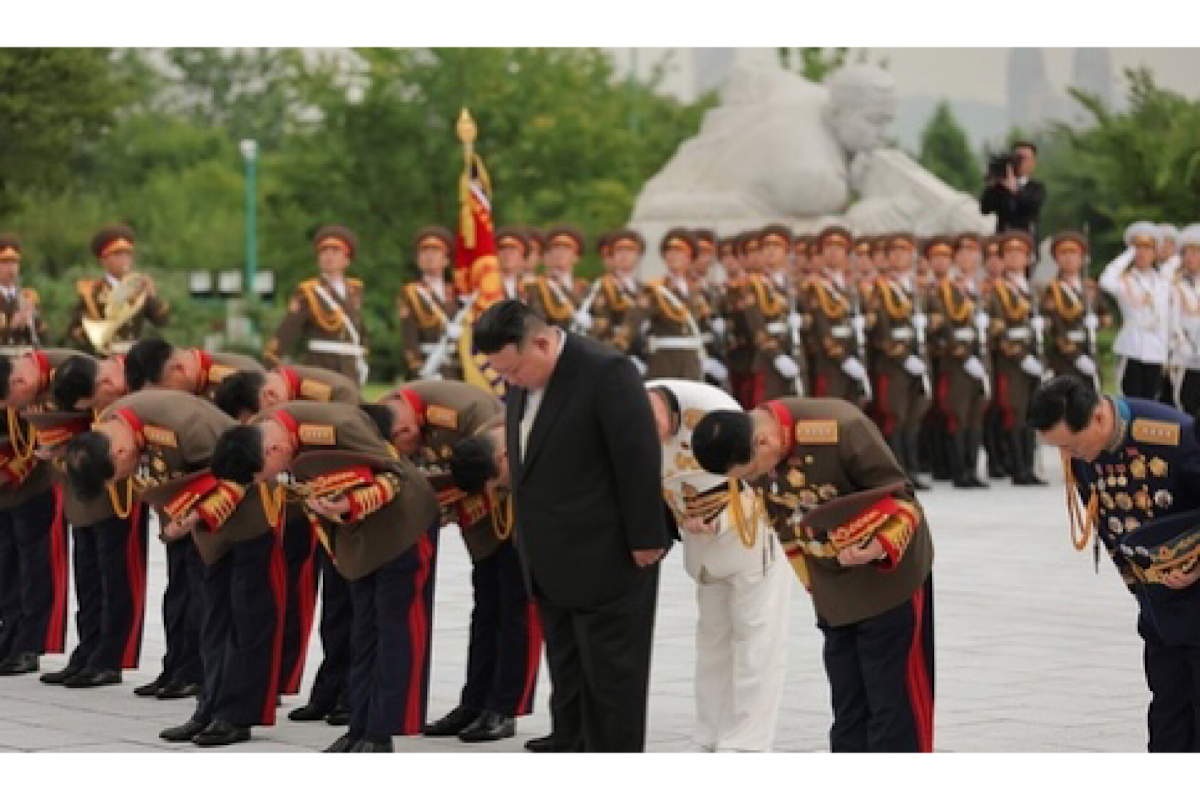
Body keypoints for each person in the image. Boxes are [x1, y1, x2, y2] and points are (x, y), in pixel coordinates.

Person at [472, 300, 670, 754]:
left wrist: (645, 539)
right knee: (567, 676)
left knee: (612, 681)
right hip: (549, 557)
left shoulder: (606, 372)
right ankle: (570, 743)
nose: (511, 380)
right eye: (502, 373)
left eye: (515, 369)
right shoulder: (525, 377)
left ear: (542, 342)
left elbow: (637, 456)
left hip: (608, 552)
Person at [692, 396, 935, 755]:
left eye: (750, 473)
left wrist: (879, 545)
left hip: (889, 575)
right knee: (848, 701)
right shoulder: (755, 449)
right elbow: (783, 524)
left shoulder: (841, 427)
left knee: (893, 702)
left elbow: (903, 498)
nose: (754, 481)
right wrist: (813, 586)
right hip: (831, 584)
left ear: (763, 442)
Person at [210, 402, 440, 755]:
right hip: (358, 533)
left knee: (393, 630)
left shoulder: (335, 424)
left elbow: (395, 475)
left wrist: (349, 504)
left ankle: (380, 733)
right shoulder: (269, 431)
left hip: (403, 527)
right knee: (363, 632)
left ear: (273, 450)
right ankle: (360, 727)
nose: (274, 477)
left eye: (268, 472)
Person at [63, 389, 285, 748]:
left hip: (249, 519)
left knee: (244, 620)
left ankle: (237, 716)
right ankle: (209, 707)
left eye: (118, 473)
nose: (125, 477)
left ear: (119, 453)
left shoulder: (188, 426)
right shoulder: (114, 423)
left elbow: (235, 478)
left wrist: (192, 516)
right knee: (211, 619)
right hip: (203, 527)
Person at [1030, 375, 1200, 753]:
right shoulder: (1084, 454)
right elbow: (1110, 523)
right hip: (1158, 605)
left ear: (1099, 420)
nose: (1069, 456)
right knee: (1168, 713)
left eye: (1071, 444)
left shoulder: (1173, 437)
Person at [647, 380, 791, 755]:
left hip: (748, 533)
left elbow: (753, 470)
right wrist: (679, 520)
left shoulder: (712, 407)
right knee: (710, 640)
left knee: (755, 641)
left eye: (655, 424)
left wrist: (720, 518)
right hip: (699, 541)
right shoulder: (629, 410)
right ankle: (708, 732)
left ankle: (748, 741)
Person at [214, 364, 361, 717]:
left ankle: (346, 692)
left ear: (267, 398)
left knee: (344, 602)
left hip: (343, 507)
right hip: (294, 506)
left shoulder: (334, 394)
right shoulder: (274, 399)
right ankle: (320, 690)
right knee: (303, 600)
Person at [32, 356, 149, 690]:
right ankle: (87, 651)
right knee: (88, 577)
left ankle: (109, 658)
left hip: (119, 495)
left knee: (116, 579)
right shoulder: (89, 384)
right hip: (87, 492)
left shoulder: (136, 385)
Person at [0, 350, 79, 677]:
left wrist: (12, 471)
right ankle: (9, 635)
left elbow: (46, 439)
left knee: (36, 565)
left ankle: (30, 644)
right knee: (5, 564)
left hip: (36, 483)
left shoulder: (58, 375)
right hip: (5, 485)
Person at [264, 225, 370, 386]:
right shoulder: (308, 292)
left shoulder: (355, 290)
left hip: (349, 368)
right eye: (323, 252)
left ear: (347, 259)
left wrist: (363, 358)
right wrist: (269, 364)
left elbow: (359, 329)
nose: (328, 256)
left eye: (335, 252)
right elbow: (287, 330)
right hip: (320, 367)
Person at [869, 233, 933, 491]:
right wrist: (904, 358)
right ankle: (897, 472)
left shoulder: (917, 289)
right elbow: (881, 332)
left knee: (913, 417)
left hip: (918, 360)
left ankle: (913, 468)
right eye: (893, 253)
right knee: (895, 416)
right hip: (894, 365)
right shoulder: (880, 288)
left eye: (904, 253)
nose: (899, 257)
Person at [925, 237, 990, 489]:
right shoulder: (944, 290)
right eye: (961, 254)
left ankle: (973, 469)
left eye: (972, 253)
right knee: (958, 415)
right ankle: (959, 471)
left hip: (980, 360)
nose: (967, 258)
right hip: (957, 363)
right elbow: (945, 327)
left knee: (976, 416)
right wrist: (963, 356)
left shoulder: (980, 289)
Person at [986, 231, 1048, 487]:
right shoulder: (997, 290)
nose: (1014, 258)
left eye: (1019, 254)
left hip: (1032, 359)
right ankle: (1018, 467)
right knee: (1015, 413)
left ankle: (1029, 466)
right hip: (1011, 363)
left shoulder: (1031, 289)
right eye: (1008, 254)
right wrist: (1021, 356)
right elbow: (996, 329)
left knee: (1031, 413)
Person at [67, 225, 170, 357]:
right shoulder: (91, 292)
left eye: (127, 254)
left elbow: (162, 321)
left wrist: (152, 295)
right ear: (104, 260)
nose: (124, 260)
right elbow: (73, 332)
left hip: (132, 358)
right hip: (105, 358)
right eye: (118, 255)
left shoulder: (138, 288)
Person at [1100, 222, 1171, 401]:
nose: (1142, 253)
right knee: (1129, 398)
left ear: (1155, 252)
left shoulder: (1164, 283)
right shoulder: (1125, 280)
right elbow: (1105, 280)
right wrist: (1127, 255)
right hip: (1132, 346)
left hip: (1156, 349)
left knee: (1151, 400)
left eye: (1147, 248)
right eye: (1138, 248)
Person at [806, 226, 871, 407]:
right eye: (828, 248)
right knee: (829, 415)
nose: (834, 252)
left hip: (855, 354)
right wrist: (843, 359)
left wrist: (865, 323)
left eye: (839, 248)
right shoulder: (815, 287)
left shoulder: (853, 288)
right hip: (830, 362)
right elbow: (821, 326)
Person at [1041, 232, 1112, 387]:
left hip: (1089, 349)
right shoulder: (1051, 290)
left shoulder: (1090, 287)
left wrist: (1097, 322)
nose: (1069, 258)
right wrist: (1076, 357)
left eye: (1074, 253)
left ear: (1082, 257)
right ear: (1056, 259)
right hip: (1063, 359)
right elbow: (1053, 327)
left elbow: (1106, 316)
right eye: (1063, 254)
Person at [398, 226, 464, 381]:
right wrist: (417, 367)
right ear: (418, 259)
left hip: (455, 367)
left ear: (446, 259)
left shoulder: (458, 293)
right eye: (425, 252)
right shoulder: (412, 292)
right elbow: (408, 335)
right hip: (428, 365)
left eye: (436, 252)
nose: (430, 256)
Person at [980, 141, 1047, 240]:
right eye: (1017, 158)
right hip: (1003, 239)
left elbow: (1031, 206)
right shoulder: (1000, 187)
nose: (1020, 162)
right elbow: (985, 209)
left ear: (1033, 163)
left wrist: (1014, 189)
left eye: (1024, 158)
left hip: (1026, 240)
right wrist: (992, 185)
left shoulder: (1036, 187)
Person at [0, 234, 48, 355]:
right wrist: (11, 326)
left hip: (25, 357)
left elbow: (44, 336)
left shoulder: (27, 296)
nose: (10, 268)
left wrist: (33, 323)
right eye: (4, 263)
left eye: (14, 262)